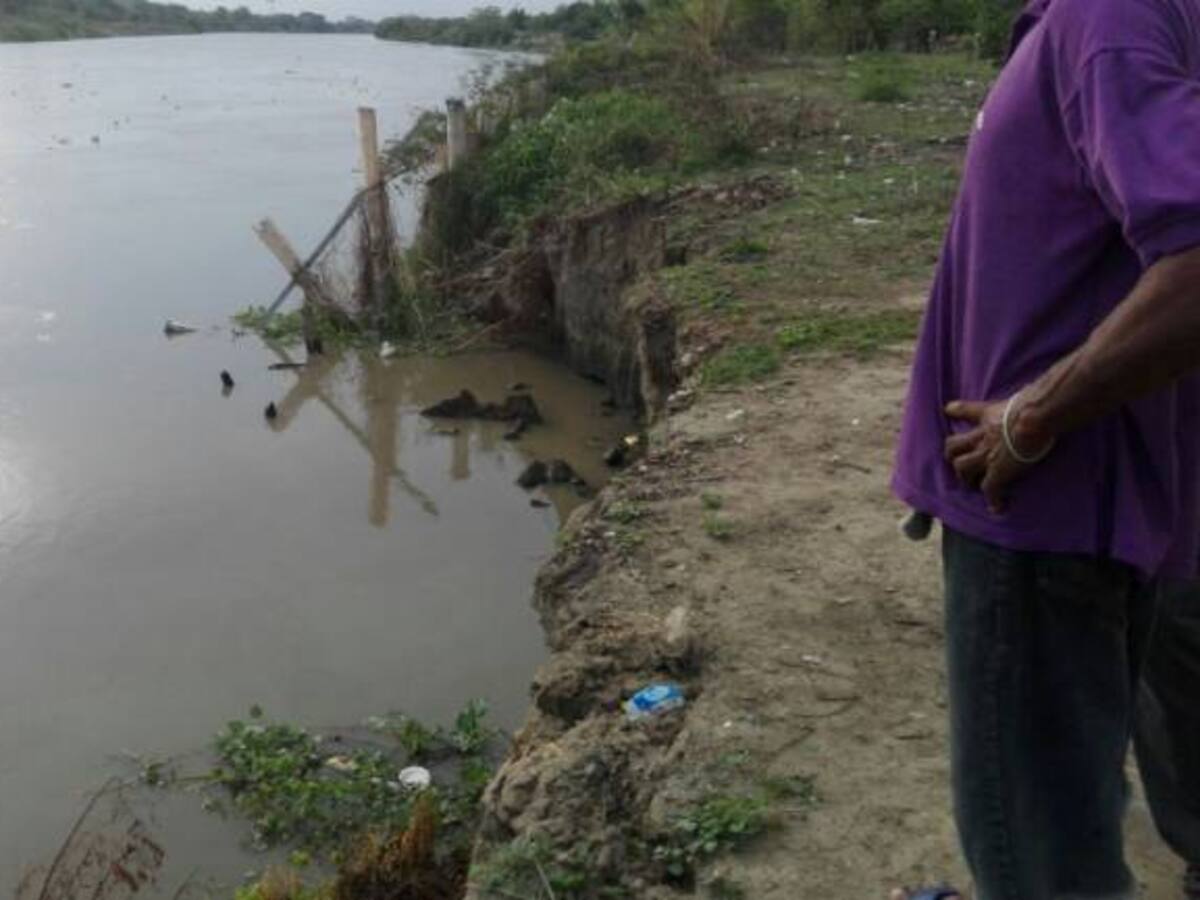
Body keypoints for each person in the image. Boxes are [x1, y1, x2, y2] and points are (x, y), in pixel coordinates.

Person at [890, 0, 1200, 897]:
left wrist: (1033, 417)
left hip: (1041, 519)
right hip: (1084, 509)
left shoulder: (1111, 14)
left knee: (1038, 858)